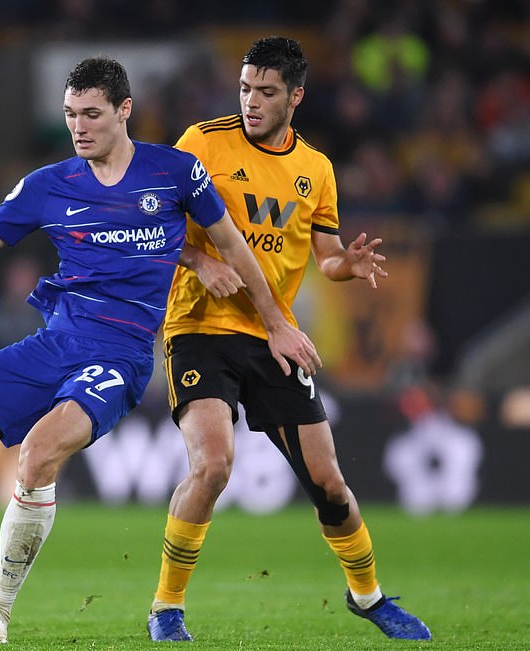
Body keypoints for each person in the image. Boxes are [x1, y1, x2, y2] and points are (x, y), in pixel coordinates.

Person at [0, 56, 318, 645]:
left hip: (121, 356)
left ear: (125, 111)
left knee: (38, 454)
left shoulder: (177, 173)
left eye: (92, 114)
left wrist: (275, 322)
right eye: (71, 114)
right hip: (54, 343)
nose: (79, 127)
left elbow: (235, 247)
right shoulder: (48, 185)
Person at [145, 37, 432, 642]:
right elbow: (152, 222)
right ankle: (166, 608)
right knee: (213, 465)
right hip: (199, 327)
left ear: (295, 97)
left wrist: (346, 265)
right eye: (245, 88)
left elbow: (325, 256)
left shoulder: (316, 169)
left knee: (329, 484)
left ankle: (367, 596)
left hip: (274, 336)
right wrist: (200, 260)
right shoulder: (201, 142)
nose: (251, 101)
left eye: (266, 92)